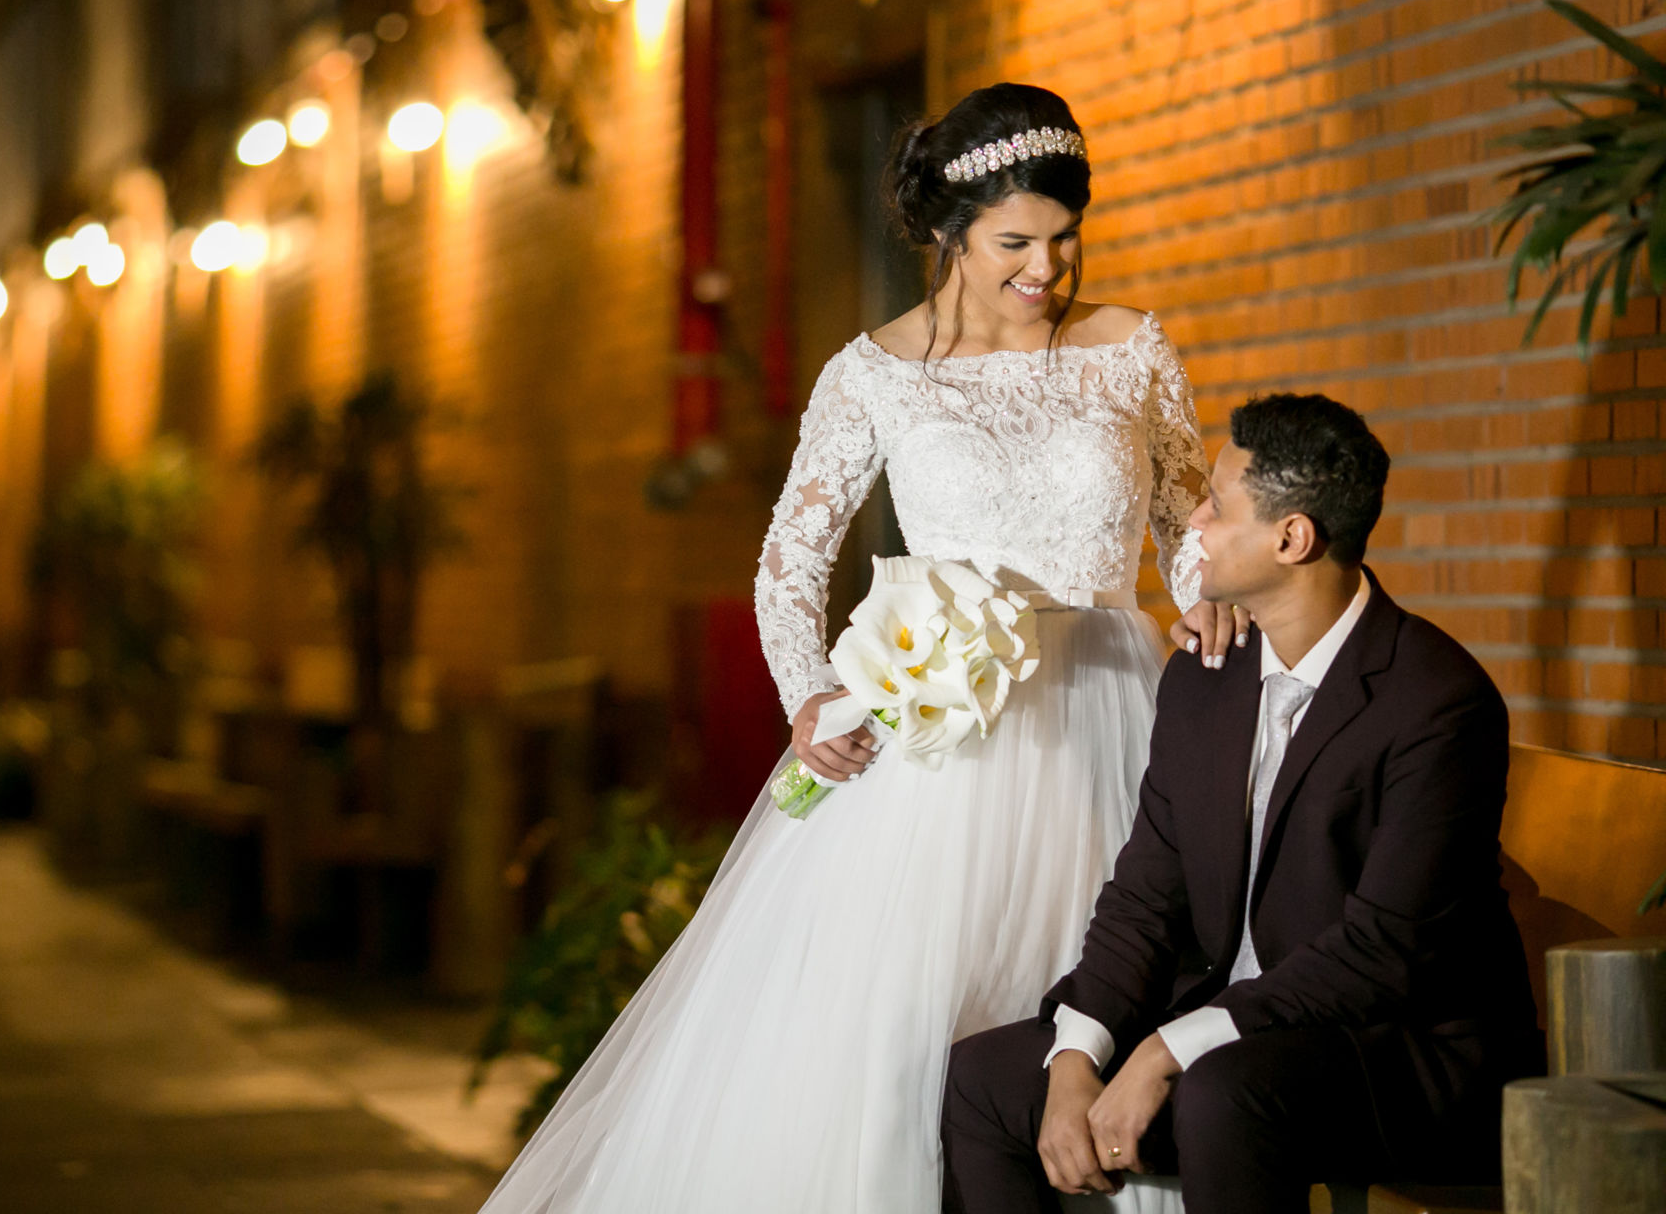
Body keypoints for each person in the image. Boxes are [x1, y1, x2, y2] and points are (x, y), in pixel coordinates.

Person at [478, 83, 1237, 1214]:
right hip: (945, 736)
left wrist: (1203, 595)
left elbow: (1187, 521)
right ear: (951, 235)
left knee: (1110, 981)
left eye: (1065, 240)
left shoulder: (1127, 348)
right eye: (1016, 242)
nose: (1047, 269)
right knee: (910, 1022)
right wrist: (815, 696)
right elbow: (789, 559)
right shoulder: (873, 373)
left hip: (1113, 711)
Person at [940, 394, 1542, 1214]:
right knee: (984, 1078)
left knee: (1224, 1093)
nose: (1194, 520)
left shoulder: (1437, 700)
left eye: (1218, 507)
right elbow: (1147, 895)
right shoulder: (1203, 678)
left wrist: (1162, 1052)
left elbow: (1380, 954)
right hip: (1239, 1038)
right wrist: (1079, 1052)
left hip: (1405, 1054)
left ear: (1291, 539)